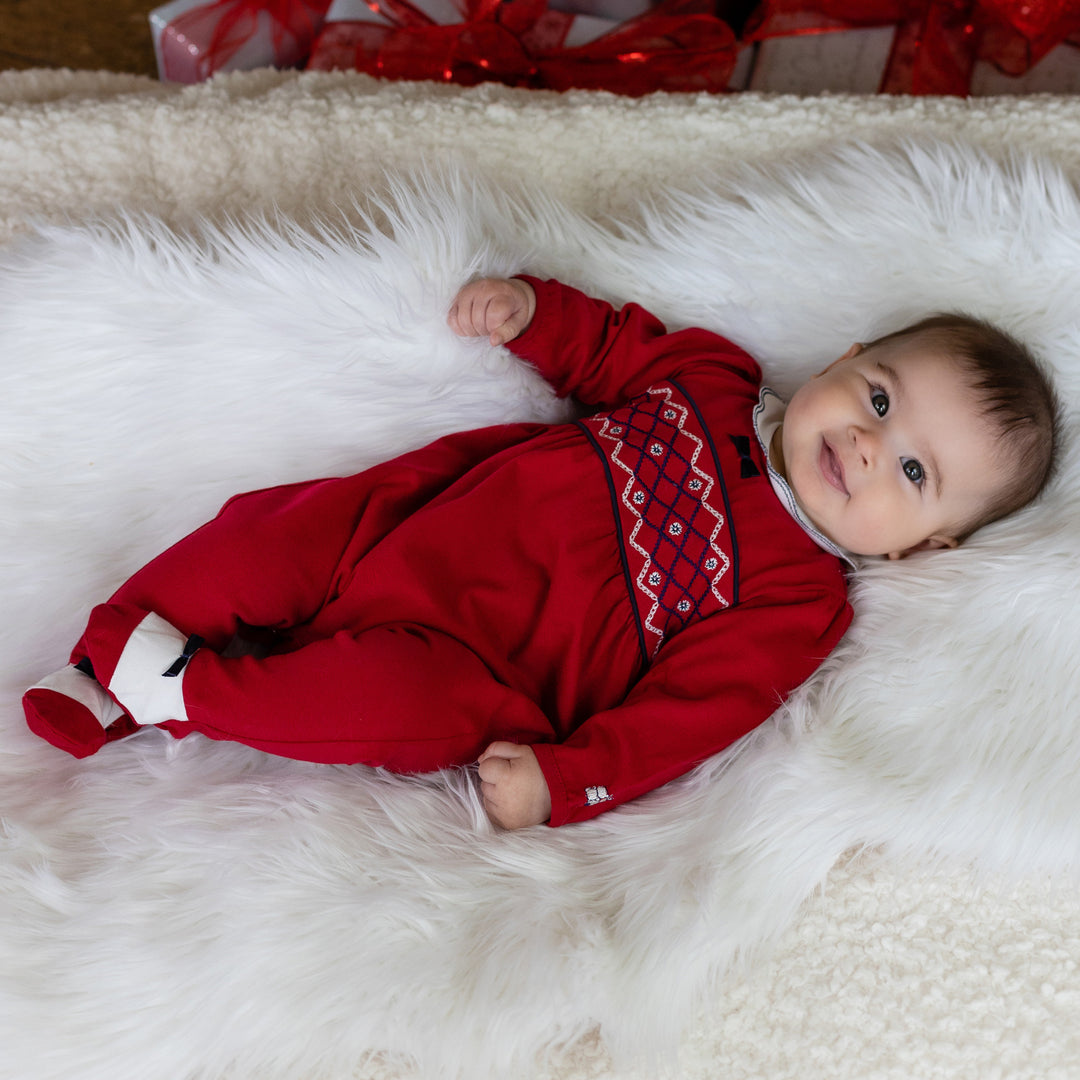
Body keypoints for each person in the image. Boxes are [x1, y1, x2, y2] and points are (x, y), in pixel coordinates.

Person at [22, 276, 1059, 829]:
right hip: (415, 516)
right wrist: (533, 314)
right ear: (844, 358)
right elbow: (611, 346)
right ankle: (108, 658)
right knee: (262, 536)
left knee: (379, 703)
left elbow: (685, 718)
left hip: (480, 663)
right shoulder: (715, 379)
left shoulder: (798, 603)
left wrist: (570, 783)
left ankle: (185, 692)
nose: (870, 444)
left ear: (924, 547)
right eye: (877, 397)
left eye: (912, 471)